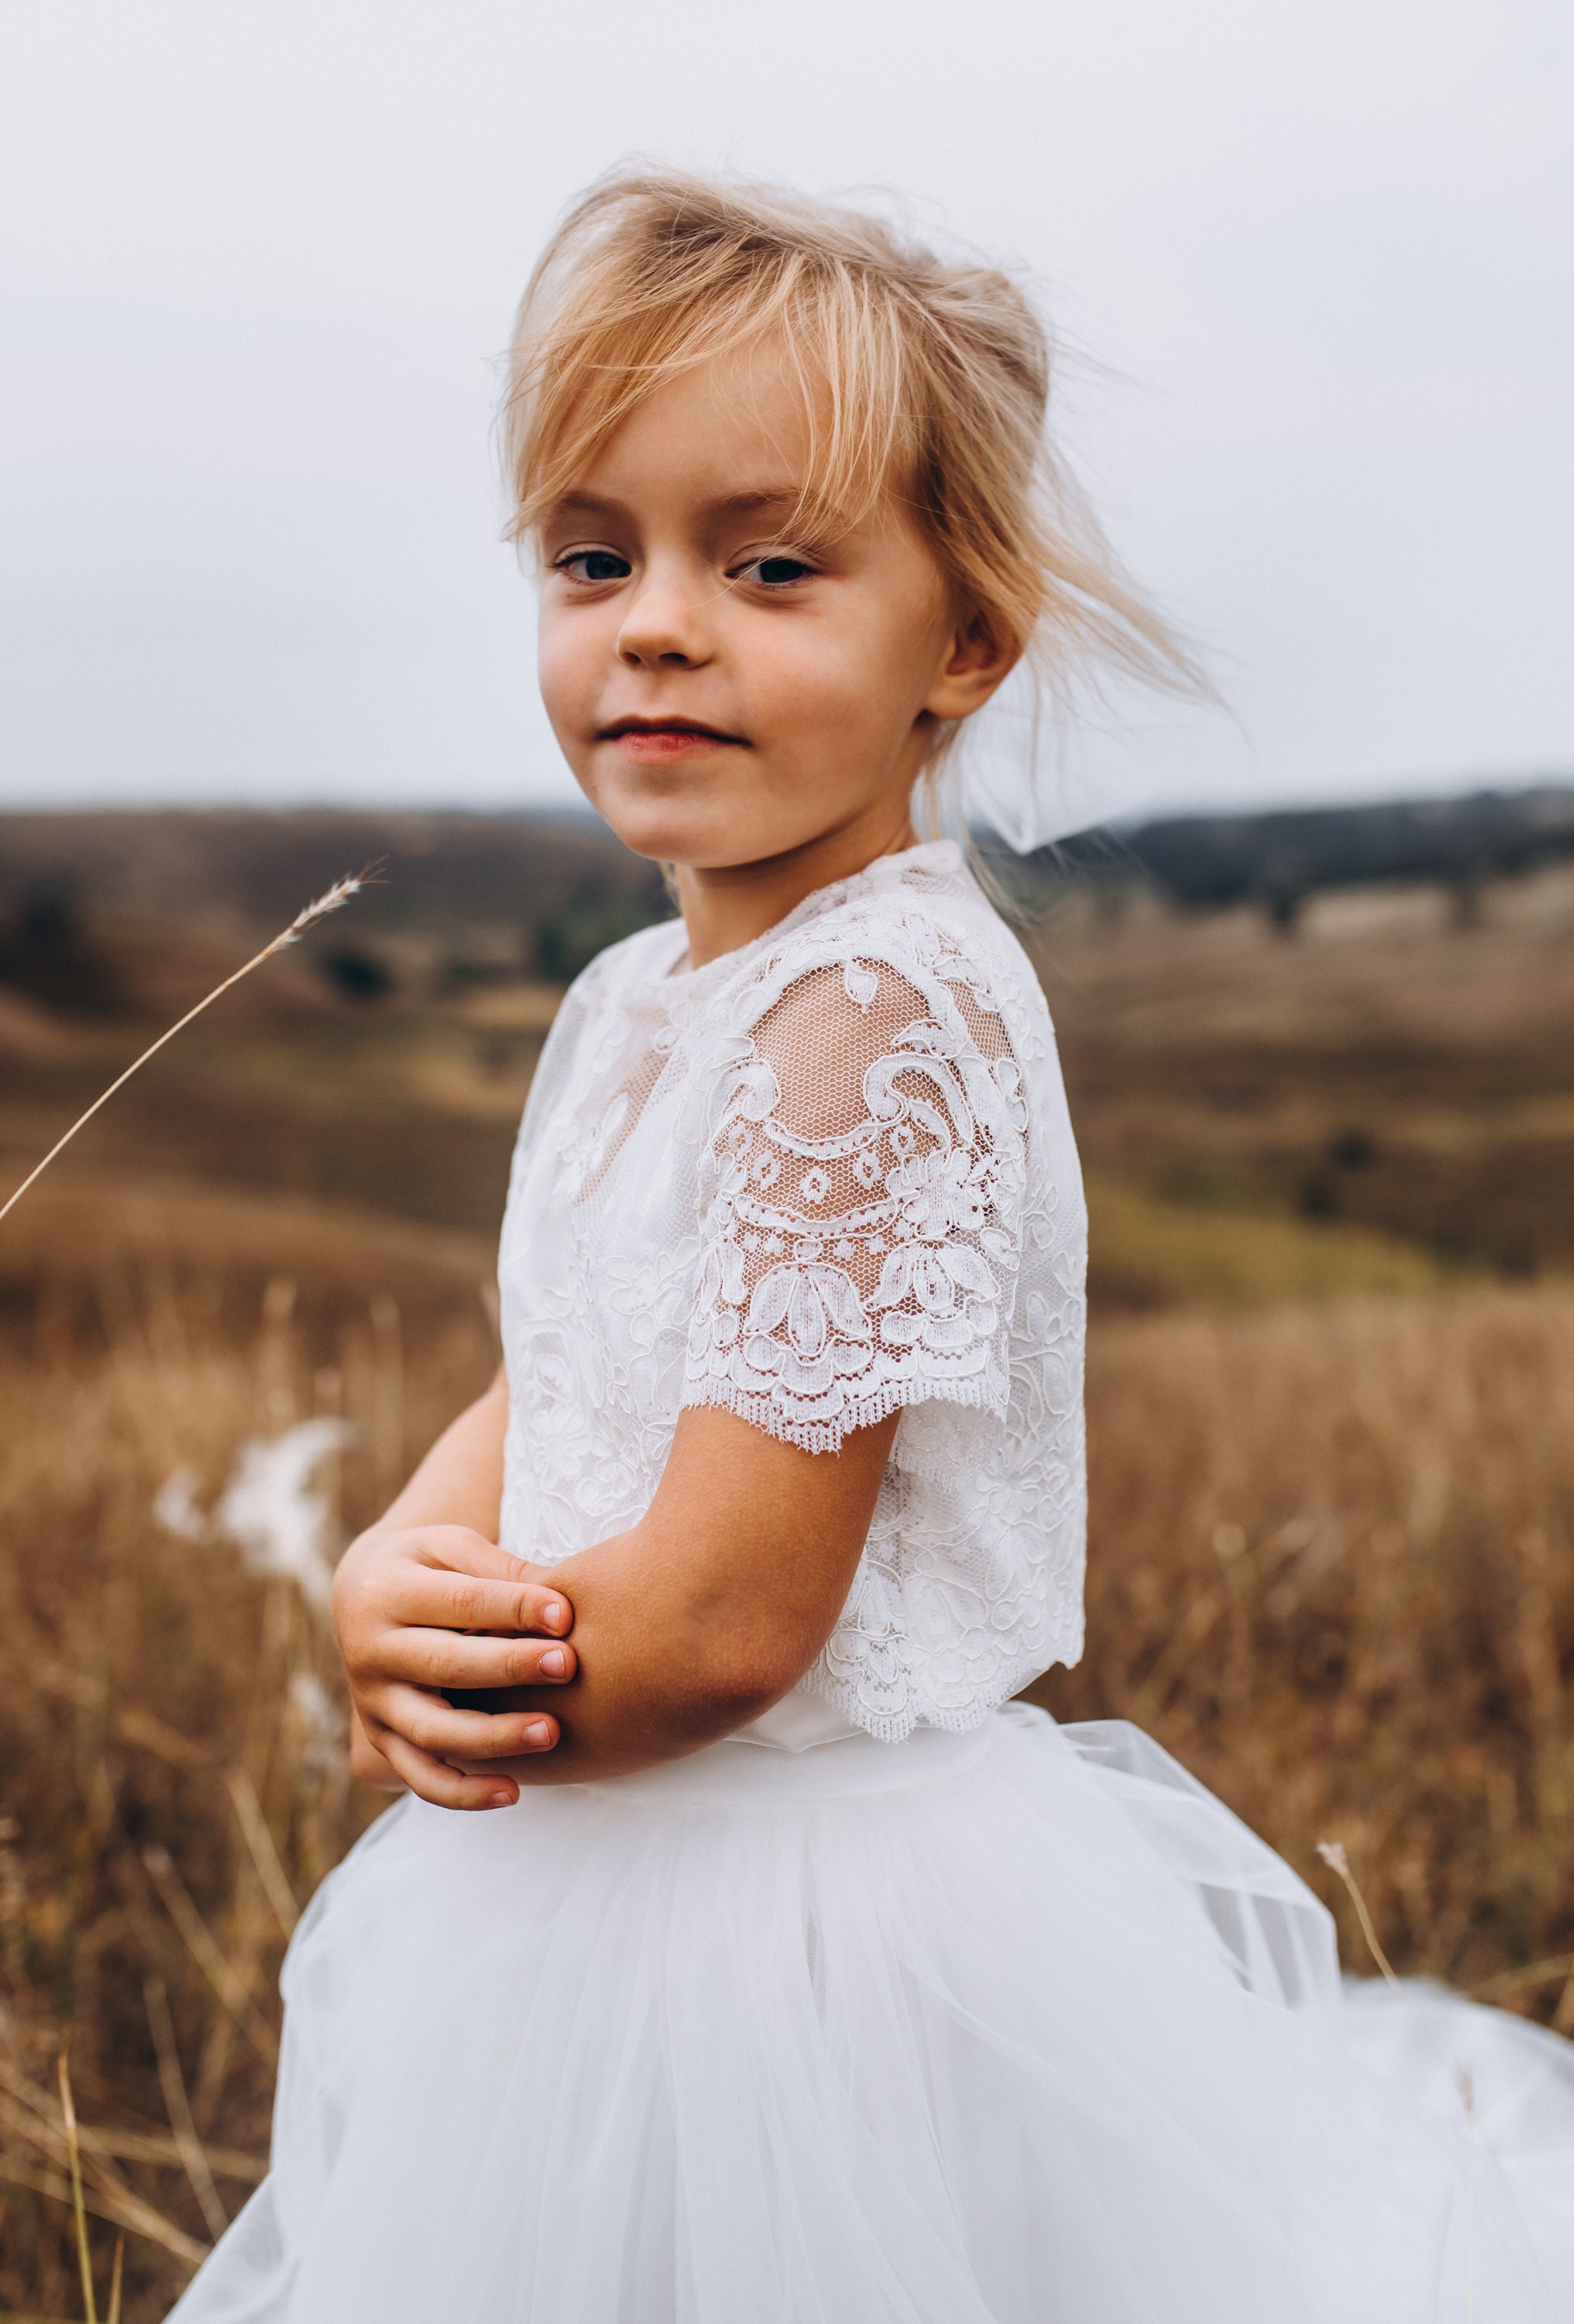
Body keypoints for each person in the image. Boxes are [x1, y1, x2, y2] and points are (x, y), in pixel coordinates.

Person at [170, 169, 1574, 2324]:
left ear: (966, 643)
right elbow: (568, 1360)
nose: (658, 622)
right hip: (599, 1870)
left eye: (770, 564)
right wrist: (396, 1569)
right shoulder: (634, 1000)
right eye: (593, 556)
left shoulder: (869, 1017)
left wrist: (464, 1698)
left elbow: (733, 1623)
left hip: (805, 1936)